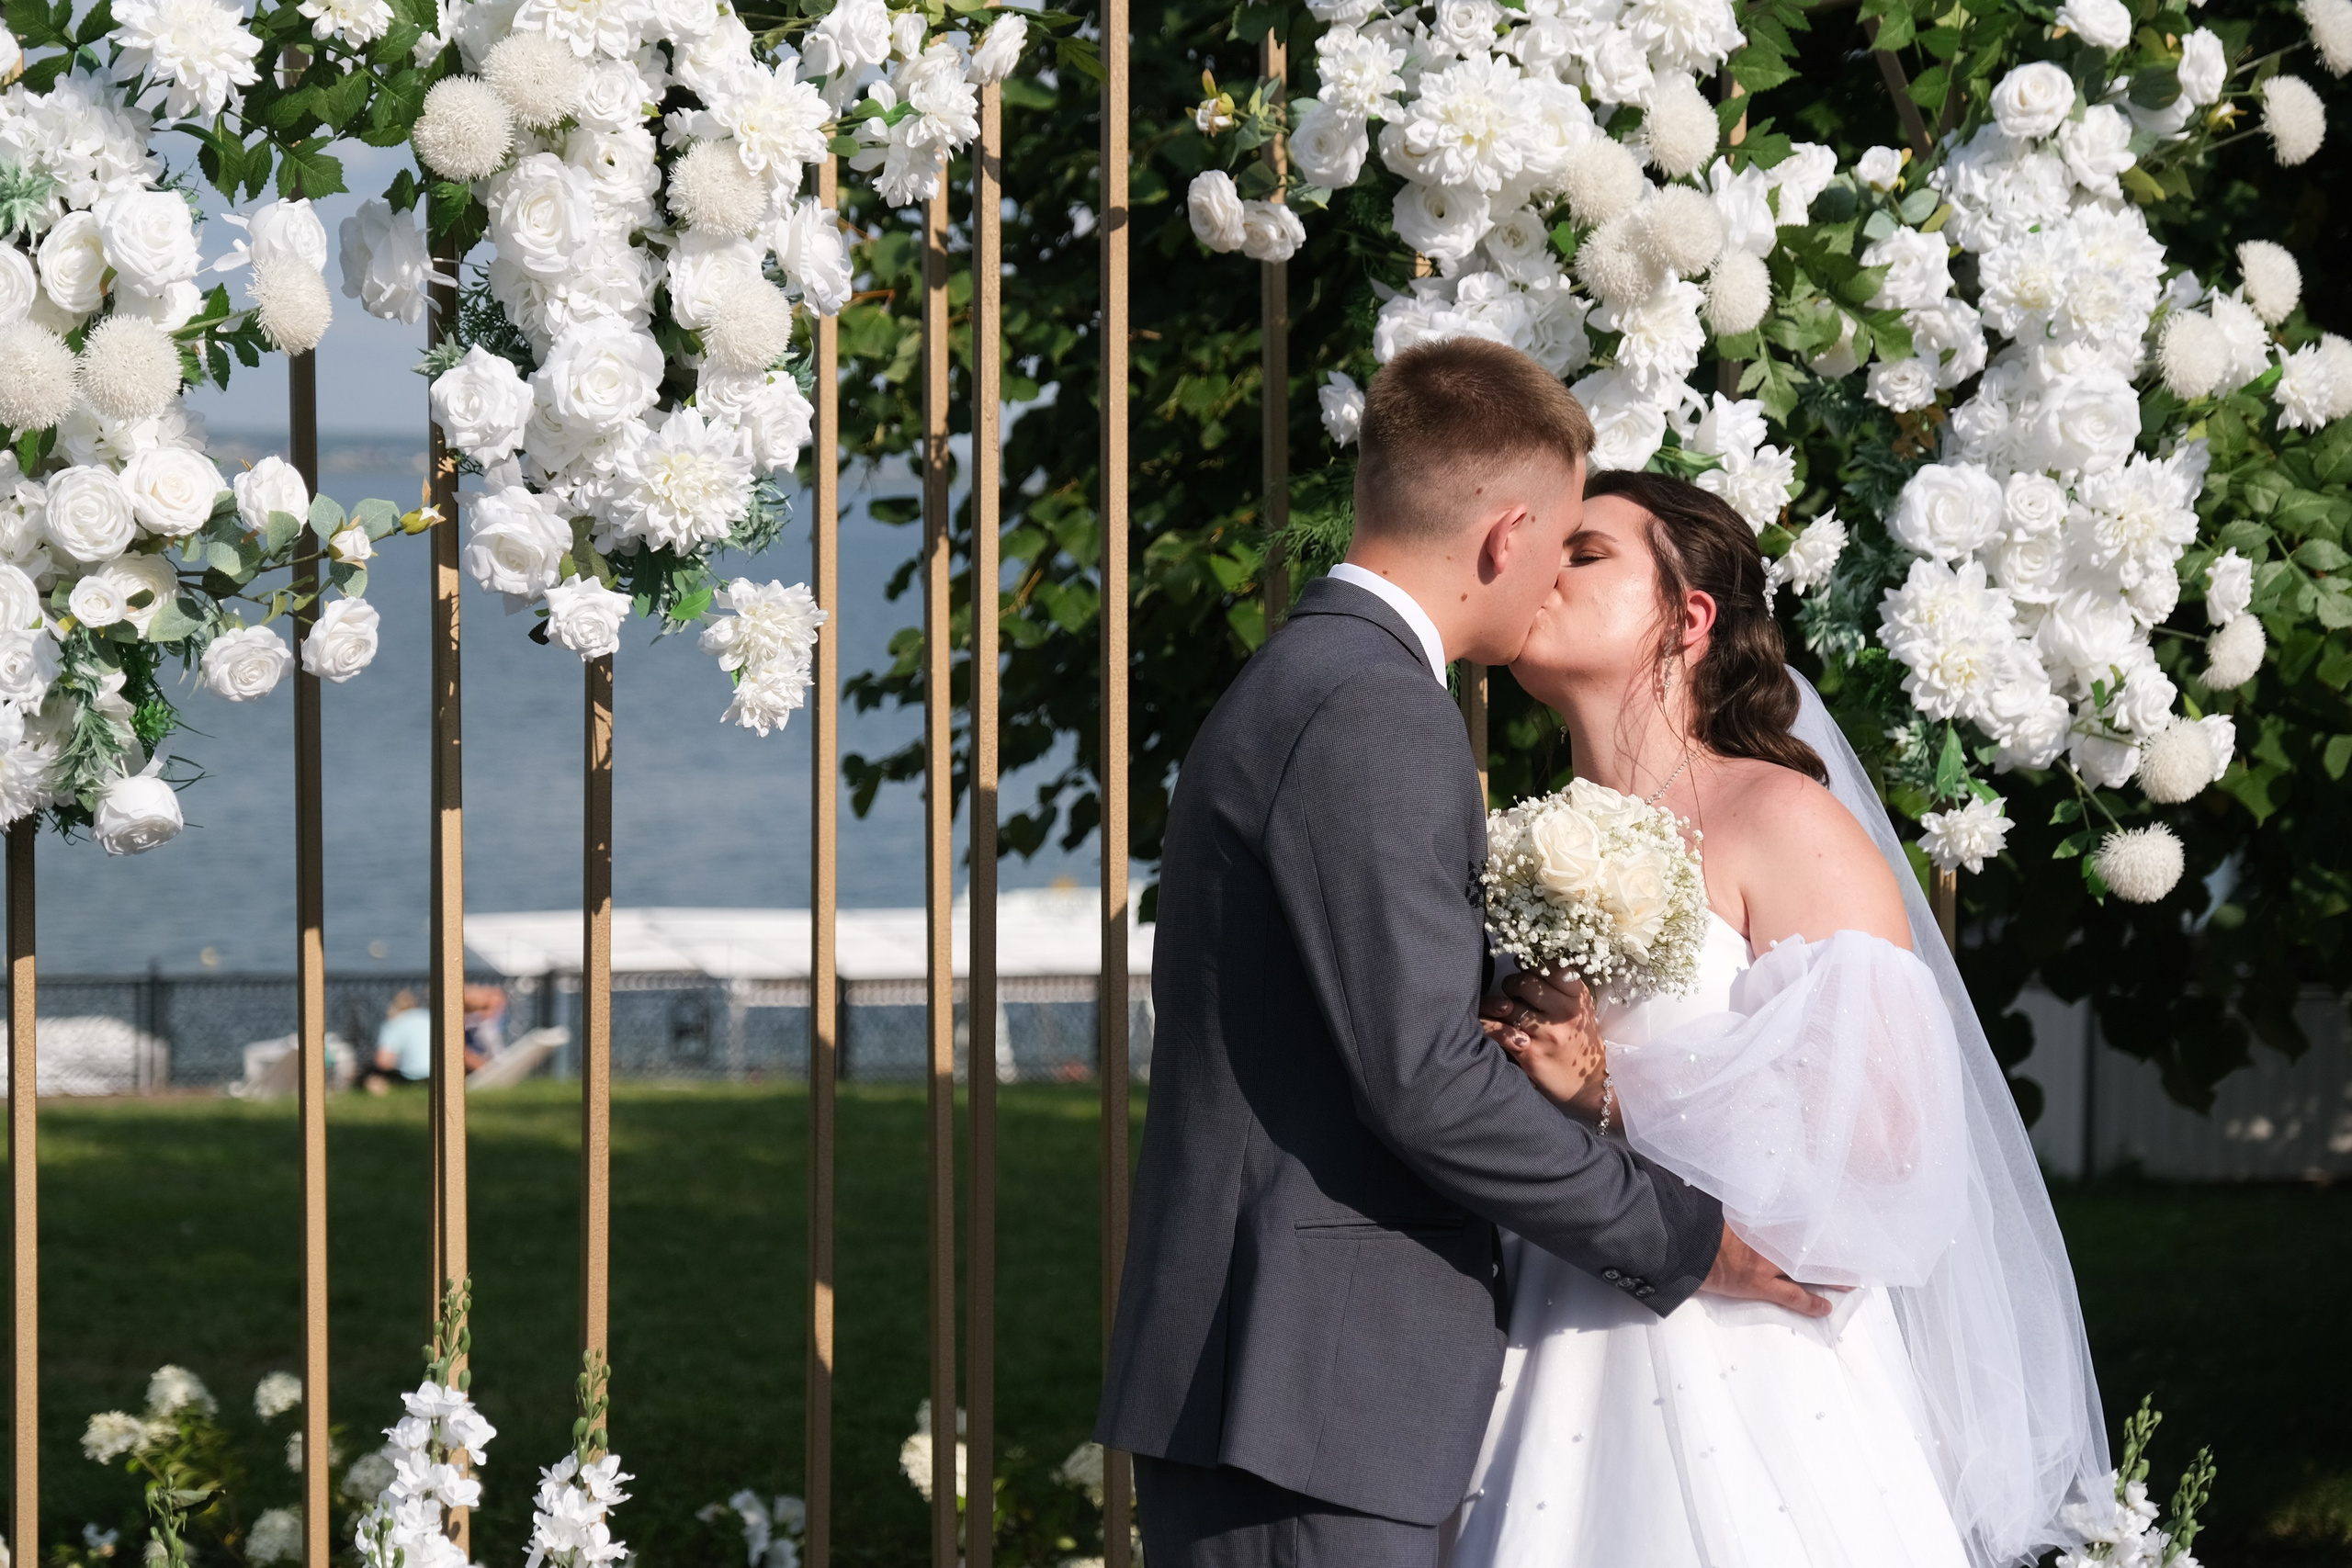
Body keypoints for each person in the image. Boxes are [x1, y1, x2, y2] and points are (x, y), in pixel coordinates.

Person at [1094, 341, 1828, 1568]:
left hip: (1303, 1387)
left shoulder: (1315, 675)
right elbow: (1424, 1077)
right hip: (1304, 1391)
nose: (1546, 585)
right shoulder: (1374, 705)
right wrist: (1689, 1238)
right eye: (1556, 550)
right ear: (1504, 536)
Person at [1450, 471, 2108, 1567]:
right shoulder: (1525, 840)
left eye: (1586, 552)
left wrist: (1610, 1093)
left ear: (1688, 615)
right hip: (1541, 1327)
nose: (1544, 571)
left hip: (1748, 1365)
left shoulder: (1783, 821)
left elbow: (1884, 1148)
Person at [364, 990, 432, 1092]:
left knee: (372, 1077)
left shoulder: (395, 1023)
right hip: (437, 1074)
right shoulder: (428, 1016)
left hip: (412, 1077)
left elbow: (383, 1062)